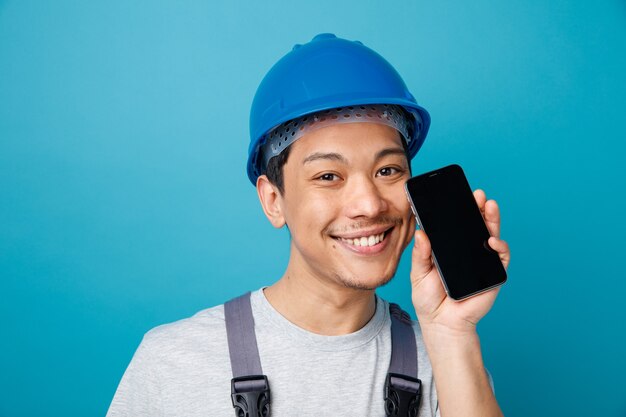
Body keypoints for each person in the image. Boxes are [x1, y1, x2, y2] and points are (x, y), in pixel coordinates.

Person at [107, 33, 510, 417]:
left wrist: (452, 334)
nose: (369, 204)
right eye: (328, 176)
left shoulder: (446, 360)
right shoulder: (173, 363)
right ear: (273, 200)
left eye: (388, 170)